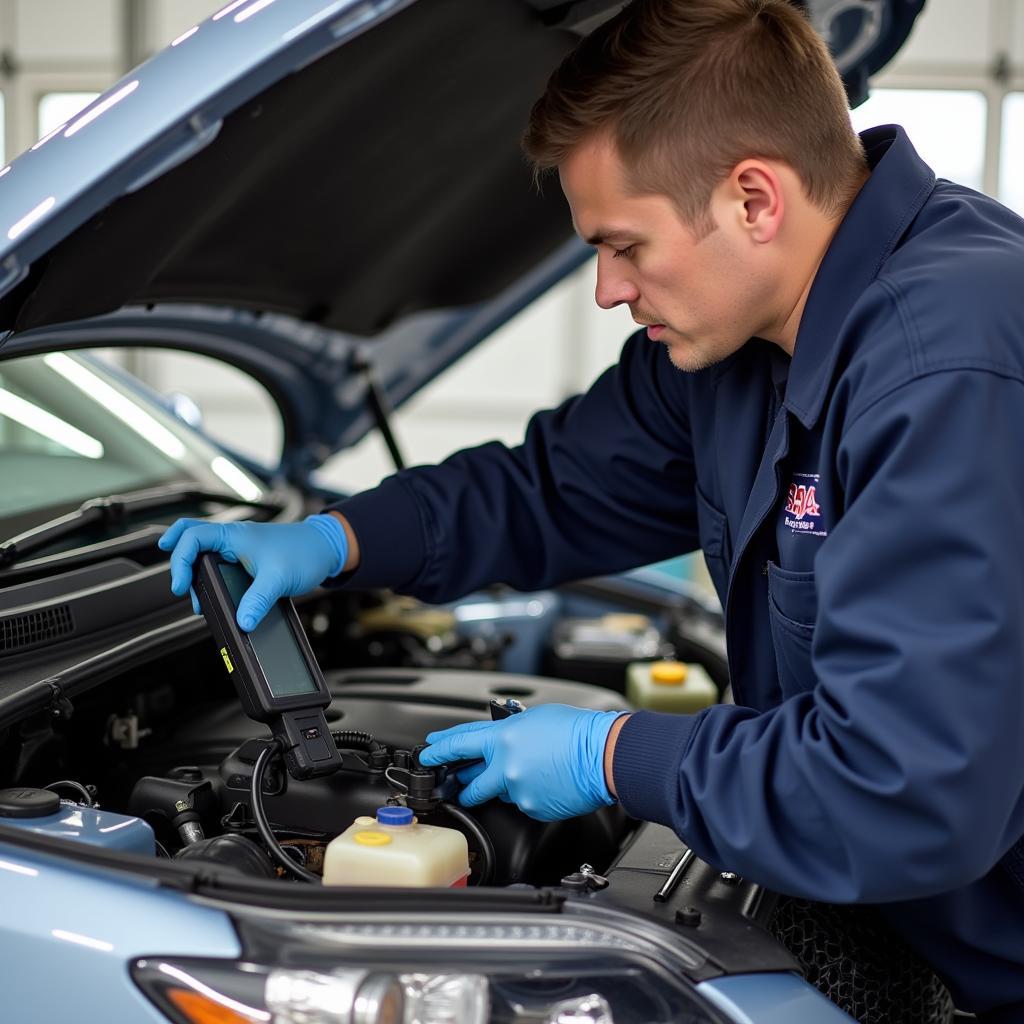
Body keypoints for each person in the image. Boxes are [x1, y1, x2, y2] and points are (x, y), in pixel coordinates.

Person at [159, 0, 1024, 1017]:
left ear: (754, 199)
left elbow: (900, 788)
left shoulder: (949, 369)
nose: (609, 290)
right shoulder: (732, 342)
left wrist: (611, 754)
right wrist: (337, 540)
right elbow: (552, 485)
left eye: (625, 245)